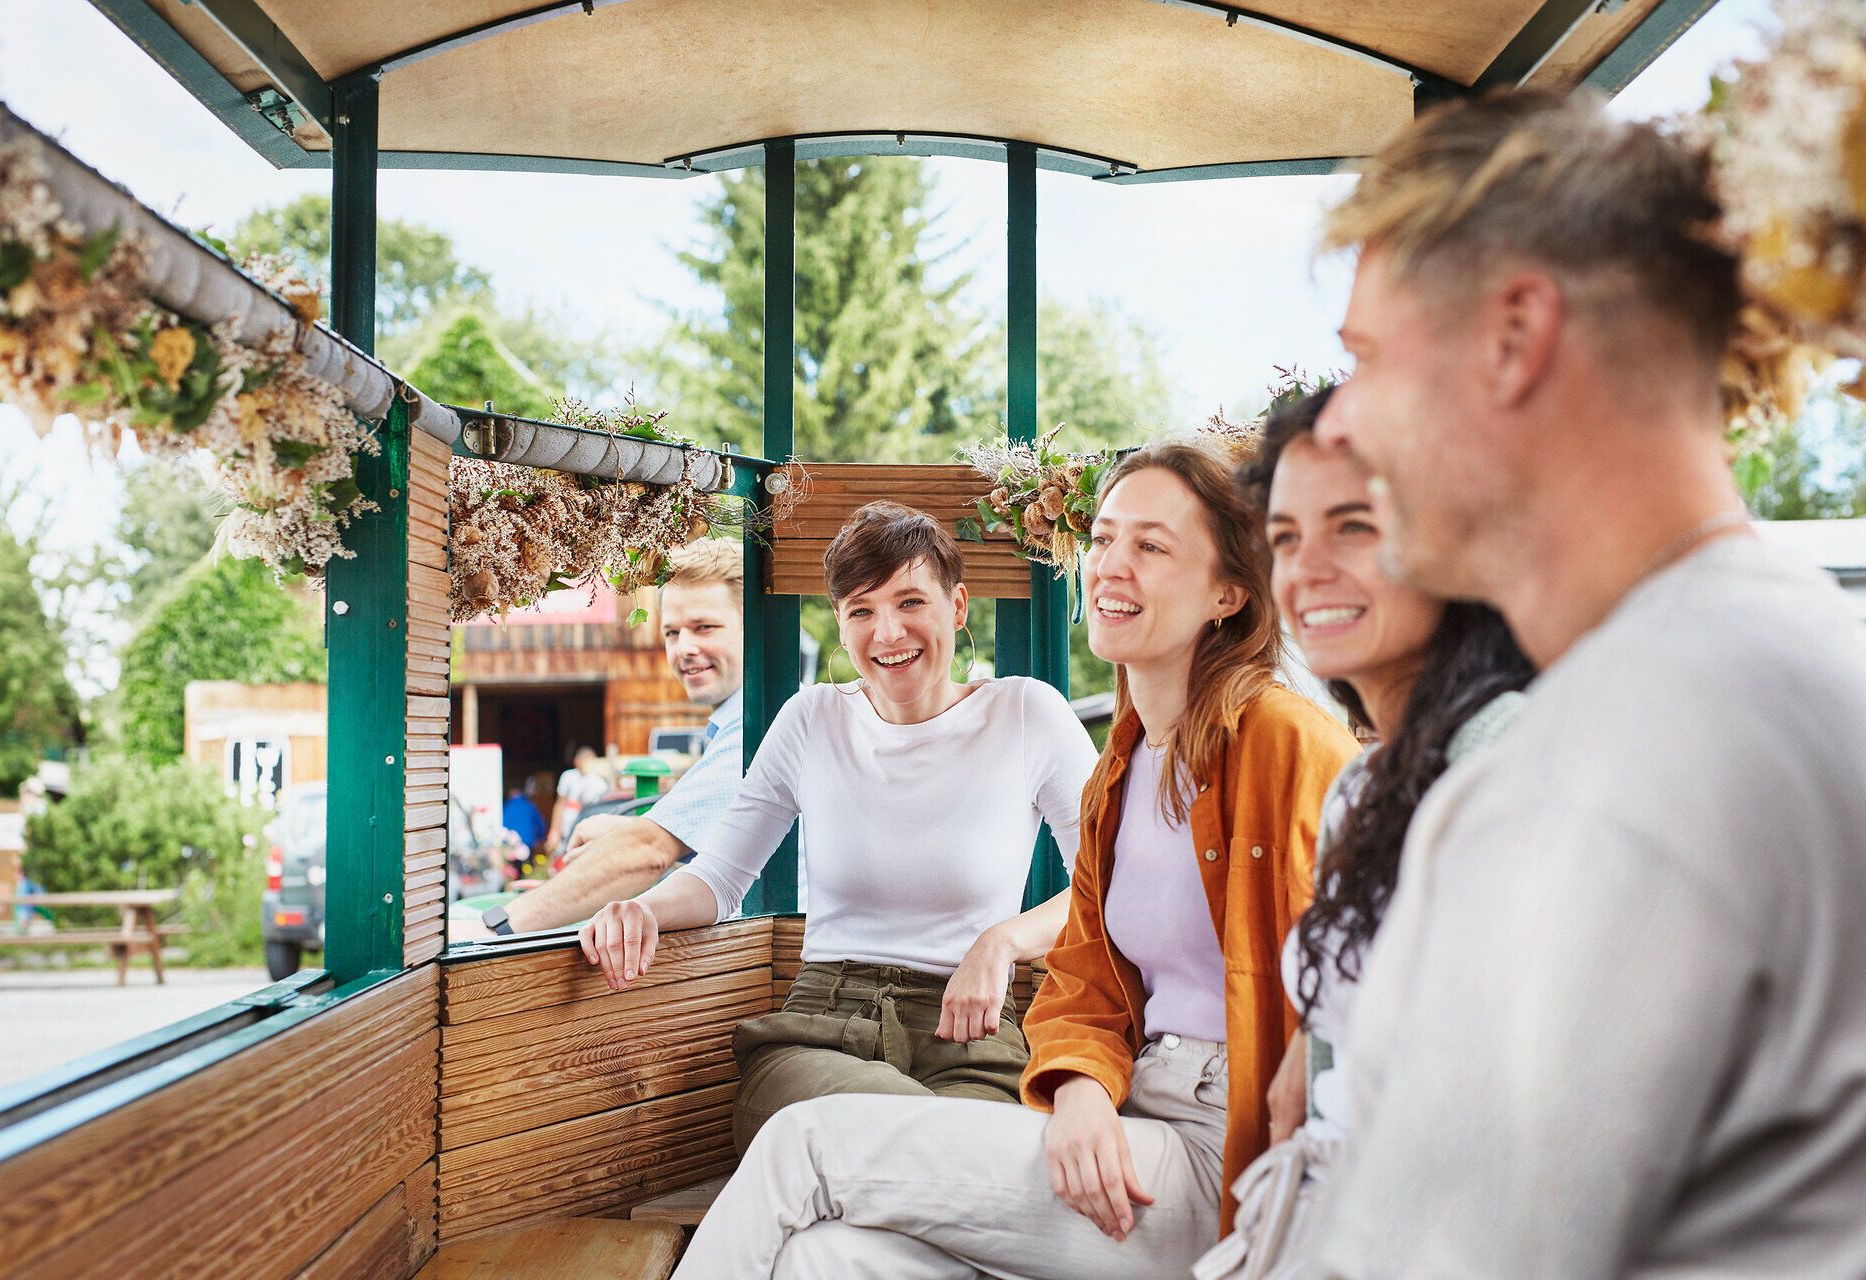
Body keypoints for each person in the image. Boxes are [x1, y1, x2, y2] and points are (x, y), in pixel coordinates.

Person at [1296, 89, 1866, 1279]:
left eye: (1367, 358)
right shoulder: (1802, 663)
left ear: (1514, 336)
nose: (1342, 421)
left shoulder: (1614, 763)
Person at [672, 443, 1358, 1280]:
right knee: (831, 1257)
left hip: (1234, 1144)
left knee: (806, 1147)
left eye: (1152, 545)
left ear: (1229, 592)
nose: (1111, 564)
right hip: (1128, 1117)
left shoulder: (1289, 740)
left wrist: (1313, 1081)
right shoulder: (1122, 771)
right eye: (1103, 539)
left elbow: (1386, 951)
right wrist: (1077, 1090)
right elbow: (1089, 979)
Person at [581, 501, 1099, 1151]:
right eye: (862, 610)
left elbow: (1105, 883)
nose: (887, 633)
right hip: (821, 1031)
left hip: (972, 1041)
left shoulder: (1026, 713)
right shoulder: (810, 719)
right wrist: (643, 910)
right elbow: (718, 878)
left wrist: (1002, 942)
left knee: (935, 1158)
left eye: (911, 602)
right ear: (841, 623)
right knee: (952, 1158)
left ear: (958, 607)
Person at [1189, 385, 1533, 1280]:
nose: (1306, 570)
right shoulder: (1366, 787)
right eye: (1287, 538)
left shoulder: (1508, 764)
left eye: (1354, 526)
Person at [449, 538, 747, 941]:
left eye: (705, 627)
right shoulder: (737, 723)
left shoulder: (760, 725)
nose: (685, 649)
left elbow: (649, 852)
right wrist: (628, 831)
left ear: (756, 626)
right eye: (672, 632)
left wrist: (499, 925)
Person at [544, 744, 610, 862]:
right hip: (568, 826)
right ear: (576, 761)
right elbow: (560, 804)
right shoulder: (568, 776)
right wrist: (555, 831)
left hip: (588, 825)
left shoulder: (599, 781)